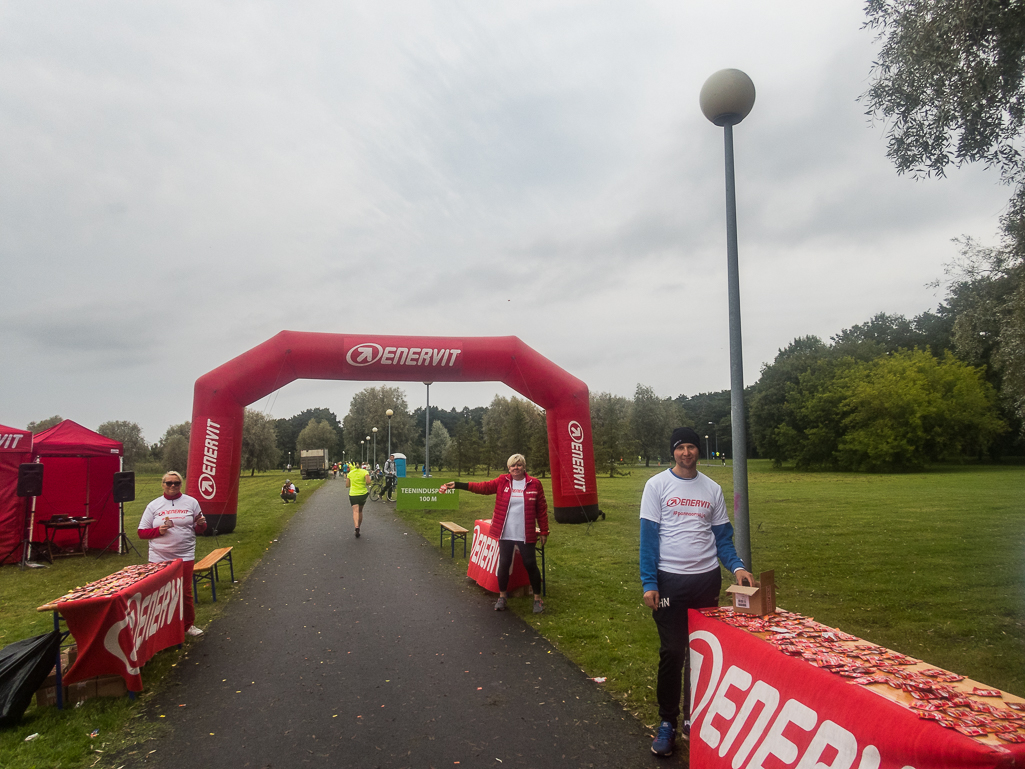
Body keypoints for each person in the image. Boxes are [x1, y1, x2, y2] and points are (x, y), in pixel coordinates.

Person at [640, 427, 753, 757]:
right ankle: (667, 723)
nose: (686, 452)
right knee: (672, 652)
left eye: (691, 447)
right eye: (680, 447)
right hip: (669, 584)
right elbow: (648, 539)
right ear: (672, 452)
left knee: (701, 653)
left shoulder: (712, 488)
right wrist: (650, 583)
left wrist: (738, 566)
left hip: (705, 582)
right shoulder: (657, 486)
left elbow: (722, 538)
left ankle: (694, 717)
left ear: (698, 451)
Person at [440, 454, 549, 613]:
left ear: (524, 466)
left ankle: (537, 599)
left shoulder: (534, 484)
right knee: (504, 564)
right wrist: (457, 484)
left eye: (518, 465)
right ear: (508, 468)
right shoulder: (502, 481)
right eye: (512, 466)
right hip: (505, 532)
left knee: (531, 564)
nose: (515, 468)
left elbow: (542, 509)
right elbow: (482, 487)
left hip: (526, 533)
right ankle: (502, 596)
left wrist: (544, 530)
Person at [137, 471, 208, 637]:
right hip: (158, 557)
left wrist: (202, 525)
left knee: (185, 592)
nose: (173, 486)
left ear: (180, 484)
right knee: (158, 592)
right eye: (169, 483)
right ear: (162, 484)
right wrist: (158, 531)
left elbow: (200, 529)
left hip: (185, 554)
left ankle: (188, 625)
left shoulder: (191, 502)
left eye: (176, 483)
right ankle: (159, 628)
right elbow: (141, 532)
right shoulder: (154, 505)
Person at [345, 461, 371, 538]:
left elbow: (347, 485)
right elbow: (368, 482)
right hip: (363, 494)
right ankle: (359, 526)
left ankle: (356, 526)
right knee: (360, 511)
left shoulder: (350, 473)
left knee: (355, 511)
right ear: (361, 465)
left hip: (353, 494)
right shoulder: (365, 472)